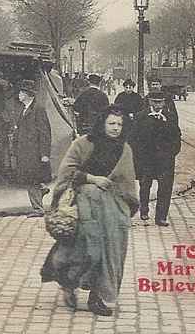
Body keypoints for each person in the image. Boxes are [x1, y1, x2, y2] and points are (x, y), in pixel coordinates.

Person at [41, 109, 138, 317]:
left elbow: (127, 182)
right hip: (83, 206)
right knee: (85, 250)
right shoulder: (84, 143)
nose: (115, 128)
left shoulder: (125, 149)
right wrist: (92, 179)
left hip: (112, 210)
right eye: (111, 123)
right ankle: (68, 283)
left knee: (110, 252)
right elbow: (66, 172)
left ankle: (97, 296)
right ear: (102, 123)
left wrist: (127, 206)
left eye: (119, 125)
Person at [135, 88, 181, 227]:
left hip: (165, 159)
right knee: (145, 184)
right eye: (154, 102)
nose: (157, 105)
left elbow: (177, 136)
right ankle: (144, 209)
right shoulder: (141, 116)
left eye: (160, 102)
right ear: (149, 101)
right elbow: (134, 137)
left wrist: (172, 152)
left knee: (165, 187)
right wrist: (138, 156)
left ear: (164, 103)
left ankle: (161, 217)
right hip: (146, 158)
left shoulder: (171, 116)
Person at [13, 79, 52, 214]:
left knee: (31, 179)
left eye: (21, 92)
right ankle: (41, 190)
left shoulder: (38, 109)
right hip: (26, 150)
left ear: (28, 94)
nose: (19, 94)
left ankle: (38, 209)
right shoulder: (25, 109)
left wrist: (45, 154)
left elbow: (45, 132)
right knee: (32, 178)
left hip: (34, 151)